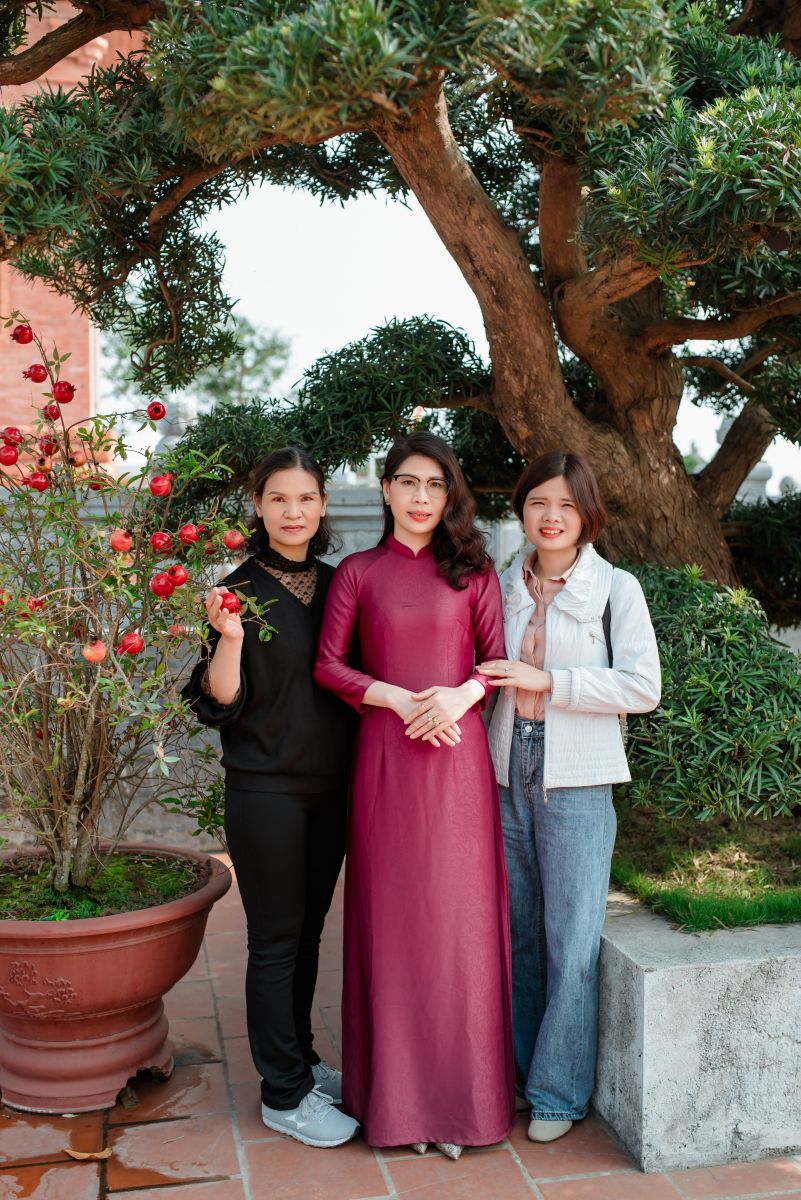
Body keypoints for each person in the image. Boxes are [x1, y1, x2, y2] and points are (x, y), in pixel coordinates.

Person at [313, 431, 515, 1159]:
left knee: (459, 925)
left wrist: (460, 694)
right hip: (386, 762)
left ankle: (463, 1106)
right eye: (408, 482)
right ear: (386, 489)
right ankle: (397, 1108)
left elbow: (495, 662)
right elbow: (328, 666)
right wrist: (397, 698)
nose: (421, 497)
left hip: (457, 765)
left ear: (450, 493)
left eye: (435, 485)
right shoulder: (357, 573)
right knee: (394, 923)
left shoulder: (475, 573)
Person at [477, 451, 661, 1145]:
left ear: (586, 515)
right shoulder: (502, 583)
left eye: (565, 505)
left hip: (578, 778)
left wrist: (551, 681)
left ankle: (558, 1092)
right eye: (537, 503)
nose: (551, 517)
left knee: (572, 941)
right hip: (505, 771)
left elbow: (643, 688)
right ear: (521, 510)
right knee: (519, 933)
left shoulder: (616, 589)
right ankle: (525, 1073)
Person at [182, 446, 360, 1149]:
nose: (293, 511)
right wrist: (229, 637)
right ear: (257, 505)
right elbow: (219, 699)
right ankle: (283, 1094)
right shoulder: (236, 591)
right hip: (266, 790)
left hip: (332, 788)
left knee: (309, 932)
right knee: (276, 939)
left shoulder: (340, 584)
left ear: (322, 506)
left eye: (305, 498)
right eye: (278, 498)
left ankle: (303, 1062)